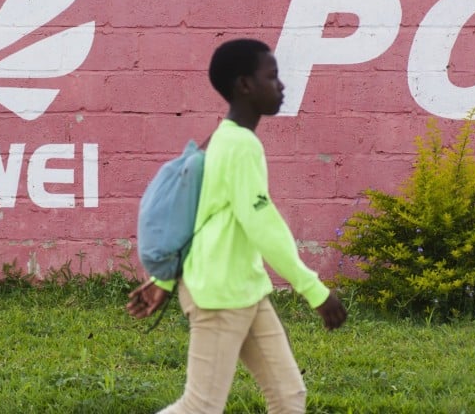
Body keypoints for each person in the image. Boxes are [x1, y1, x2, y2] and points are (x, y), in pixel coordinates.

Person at [127, 38, 347, 413]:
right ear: (245, 85)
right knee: (200, 406)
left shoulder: (224, 139)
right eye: (272, 77)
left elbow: (198, 213)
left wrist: (165, 281)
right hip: (219, 295)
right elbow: (262, 223)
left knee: (288, 397)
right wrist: (314, 290)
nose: (281, 86)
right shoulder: (239, 146)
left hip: (245, 290)